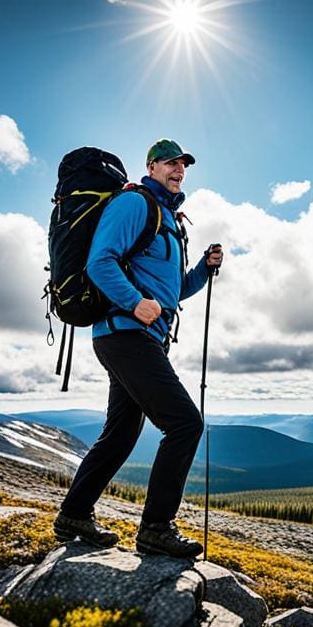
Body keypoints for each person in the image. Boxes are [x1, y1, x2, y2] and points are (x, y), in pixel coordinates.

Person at [54, 138, 224, 557]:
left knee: (120, 436)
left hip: (143, 336)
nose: (178, 169)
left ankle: (73, 514)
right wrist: (134, 302)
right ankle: (156, 529)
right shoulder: (135, 205)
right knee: (185, 423)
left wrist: (203, 268)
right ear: (150, 167)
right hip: (123, 334)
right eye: (169, 163)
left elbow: (173, 291)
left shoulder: (170, 219)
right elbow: (100, 262)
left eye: (183, 164)